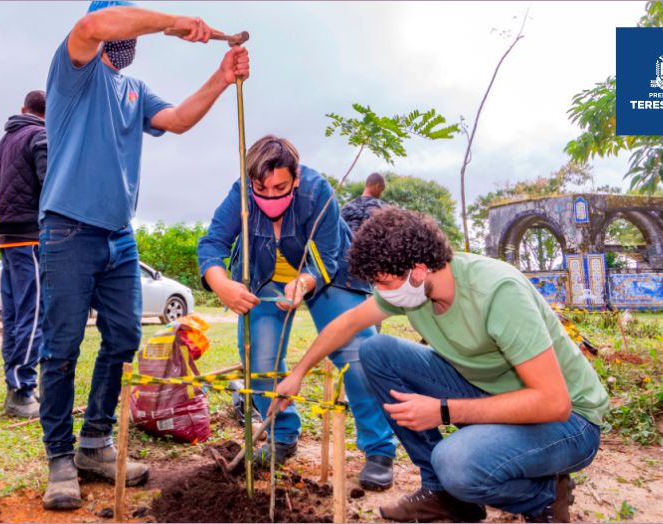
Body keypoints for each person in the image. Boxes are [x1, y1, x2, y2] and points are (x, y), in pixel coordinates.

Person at [37, 0, 250, 510]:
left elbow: (176, 120)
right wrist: (173, 23)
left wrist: (221, 78)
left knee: (124, 338)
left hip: (118, 235)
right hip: (68, 228)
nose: (132, 38)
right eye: (129, 22)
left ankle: (95, 444)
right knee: (62, 346)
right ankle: (60, 459)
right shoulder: (75, 72)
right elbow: (91, 26)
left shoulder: (133, 89)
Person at [273, 208, 609, 523]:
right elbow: (347, 323)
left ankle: (545, 497)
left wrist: (444, 410)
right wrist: (297, 373)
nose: (380, 293)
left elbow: (554, 403)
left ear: (418, 271)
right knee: (376, 349)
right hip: (493, 392)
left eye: (384, 283)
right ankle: (444, 494)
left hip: (570, 423)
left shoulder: (497, 291)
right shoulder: (414, 291)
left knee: (457, 462)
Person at [197, 135, 398, 491]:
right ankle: (282, 436)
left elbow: (329, 253)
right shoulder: (240, 192)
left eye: (281, 187)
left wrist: (305, 283)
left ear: (297, 177)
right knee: (260, 360)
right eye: (262, 188)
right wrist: (222, 284)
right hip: (265, 277)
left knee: (359, 352)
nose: (271, 196)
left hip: (327, 275)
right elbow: (213, 242)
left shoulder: (318, 191)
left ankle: (379, 449)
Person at [0, 90, 48, 418]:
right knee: (33, 313)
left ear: (23, 109)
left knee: (14, 315)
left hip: (7, 238)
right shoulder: (39, 136)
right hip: (30, 237)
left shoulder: (4, 142)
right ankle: (22, 388)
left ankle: (16, 385)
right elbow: (49, 182)